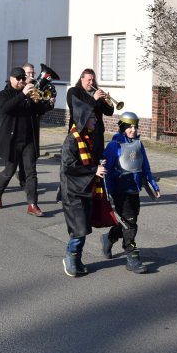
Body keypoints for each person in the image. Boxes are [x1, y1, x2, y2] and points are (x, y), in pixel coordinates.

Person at [100, 111, 161, 274]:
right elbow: (106, 171)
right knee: (130, 224)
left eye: (135, 127)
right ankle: (132, 256)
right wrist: (107, 193)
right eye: (129, 127)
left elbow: (145, 168)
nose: (133, 130)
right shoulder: (114, 146)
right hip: (120, 191)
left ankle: (109, 238)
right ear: (122, 127)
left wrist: (154, 186)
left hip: (134, 189)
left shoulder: (139, 144)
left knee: (127, 221)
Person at [0, 67, 54, 216]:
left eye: (23, 78)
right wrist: (23, 94)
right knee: (10, 170)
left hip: (29, 139)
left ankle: (32, 204)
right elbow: (6, 108)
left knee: (31, 172)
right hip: (13, 139)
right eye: (18, 78)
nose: (21, 81)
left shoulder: (29, 93)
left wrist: (48, 104)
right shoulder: (3, 94)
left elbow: (38, 110)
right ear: (11, 78)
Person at [60, 97, 107, 277]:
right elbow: (69, 167)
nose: (95, 120)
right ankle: (70, 258)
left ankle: (77, 259)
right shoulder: (72, 140)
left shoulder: (87, 137)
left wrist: (98, 164)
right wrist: (94, 170)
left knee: (84, 227)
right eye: (92, 117)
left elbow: (87, 162)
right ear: (83, 119)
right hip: (73, 192)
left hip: (84, 190)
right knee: (79, 229)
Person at [67, 69, 114, 162]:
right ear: (82, 79)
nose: (91, 83)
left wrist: (108, 101)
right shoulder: (73, 92)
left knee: (97, 162)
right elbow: (79, 110)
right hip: (80, 135)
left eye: (93, 80)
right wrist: (94, 98)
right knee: (81, 163)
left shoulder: (97, 93)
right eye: (89, 80)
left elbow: (109, 112)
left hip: (97, 135)